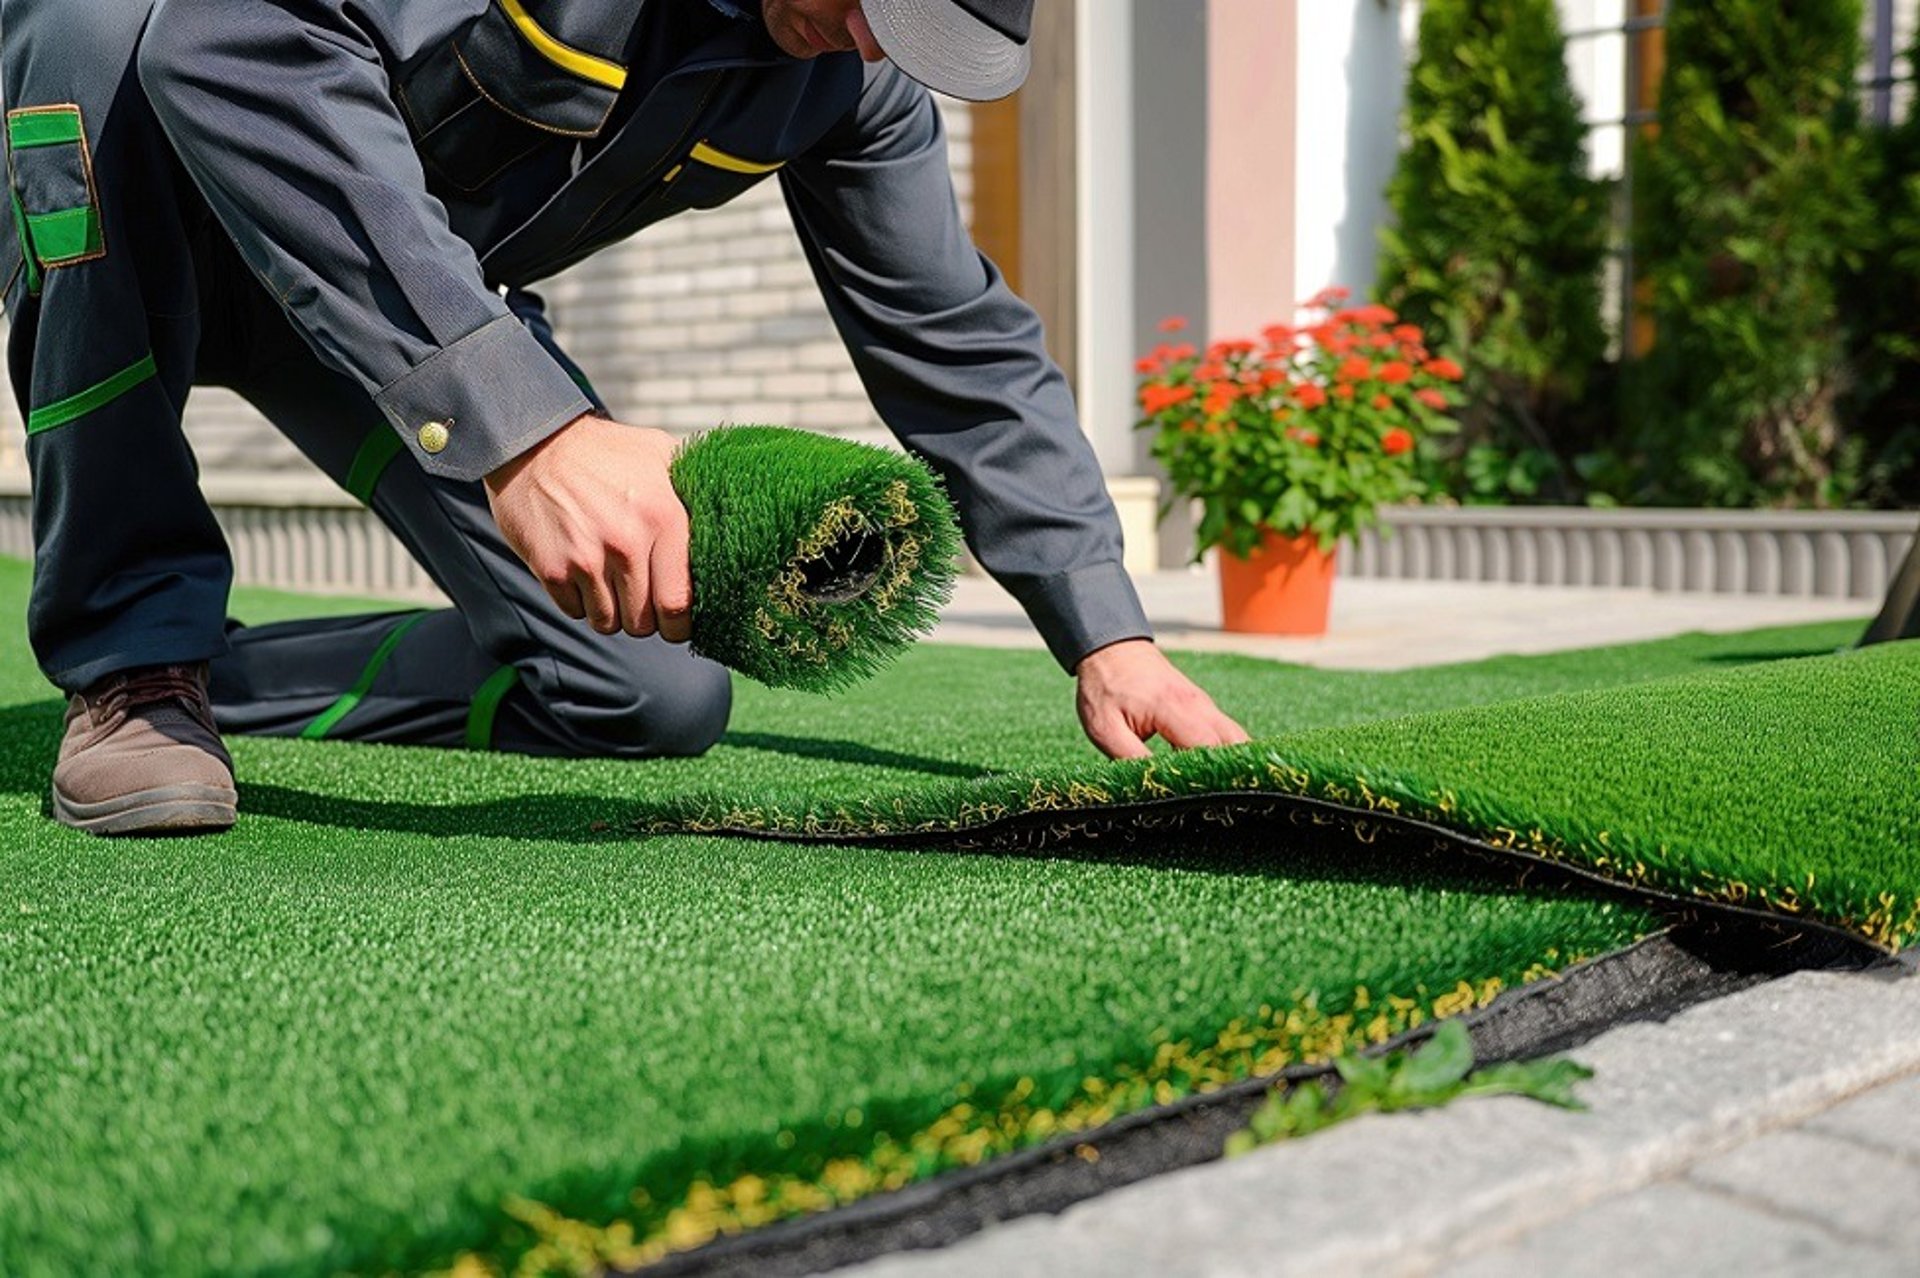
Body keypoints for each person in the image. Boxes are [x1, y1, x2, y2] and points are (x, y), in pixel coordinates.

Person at [1, 0, 1249, 835]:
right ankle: (129, 668)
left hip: (373, 300)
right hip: (149, 182)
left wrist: (1107, 631)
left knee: (648, 694)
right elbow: (224, 46)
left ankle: (215, 674)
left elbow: (957, 337)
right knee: (97, 29)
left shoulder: (845, 80)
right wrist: (531, 433)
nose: (875, 38)